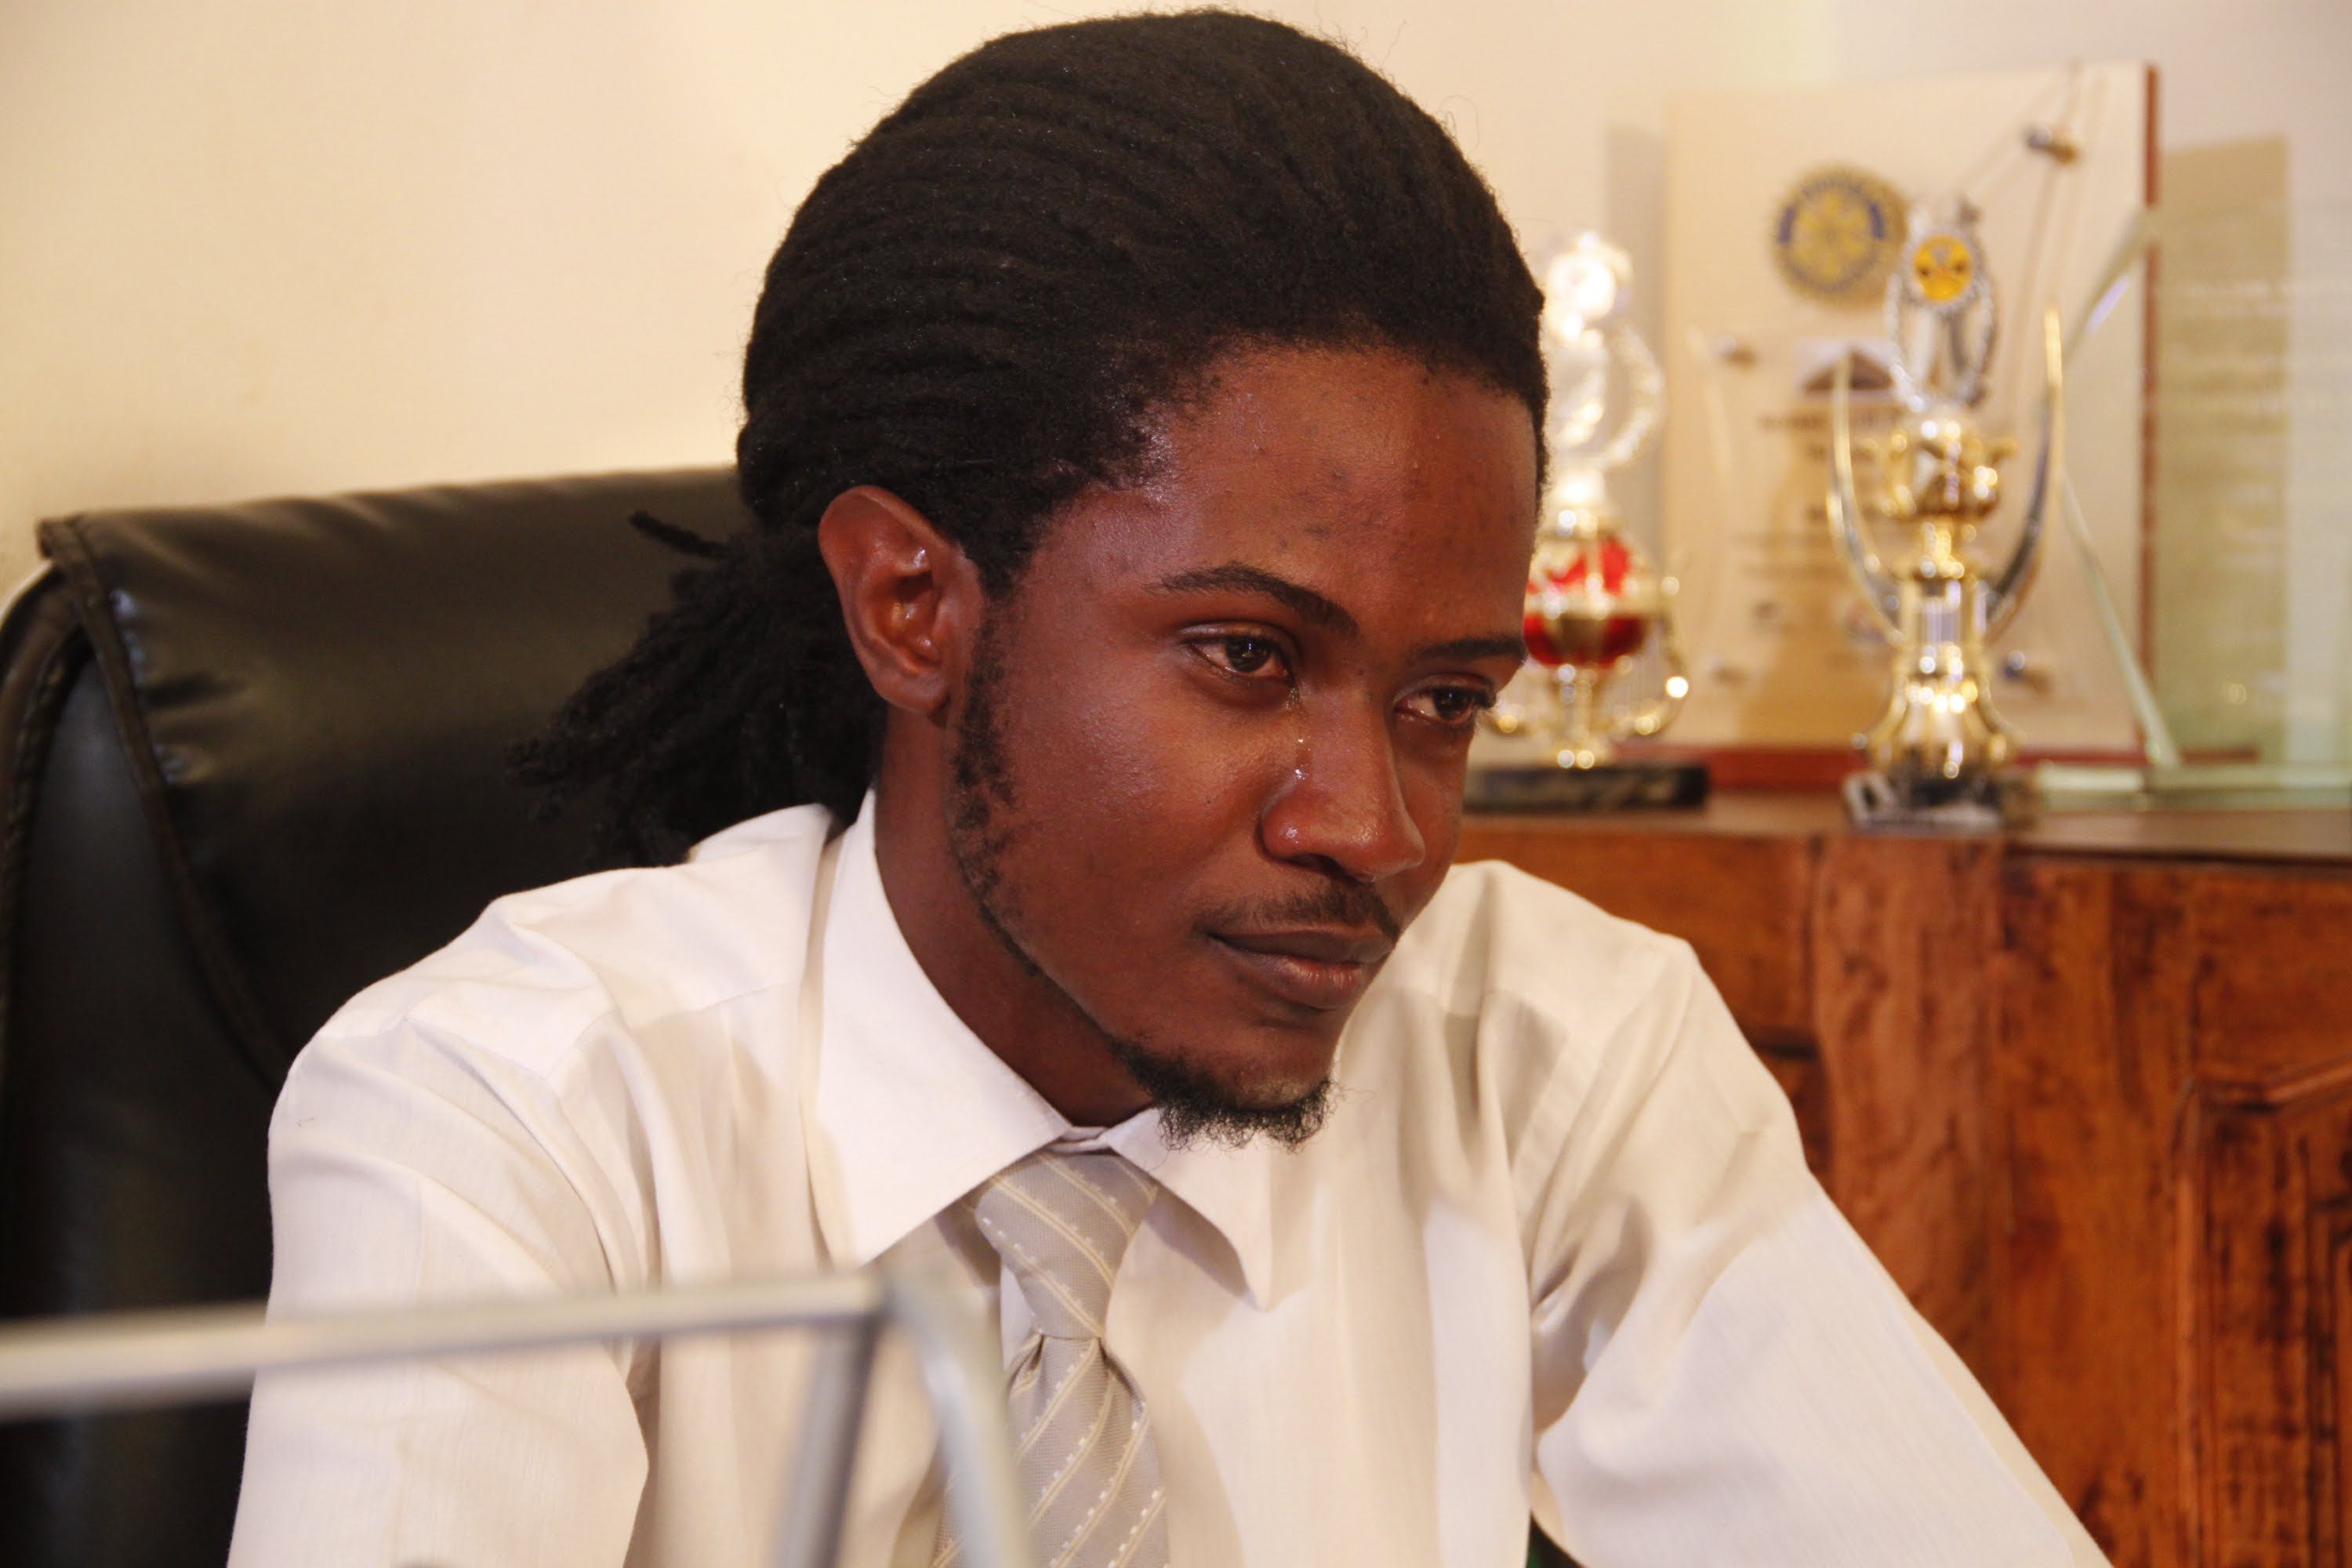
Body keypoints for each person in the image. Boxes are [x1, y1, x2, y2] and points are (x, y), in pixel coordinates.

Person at [227, 12, 2106, 1567]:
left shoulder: (1554, 1060)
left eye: (1445, 699)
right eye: (1249, 657)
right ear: (913, 604)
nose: (1374, 830)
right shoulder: (518, 1119)